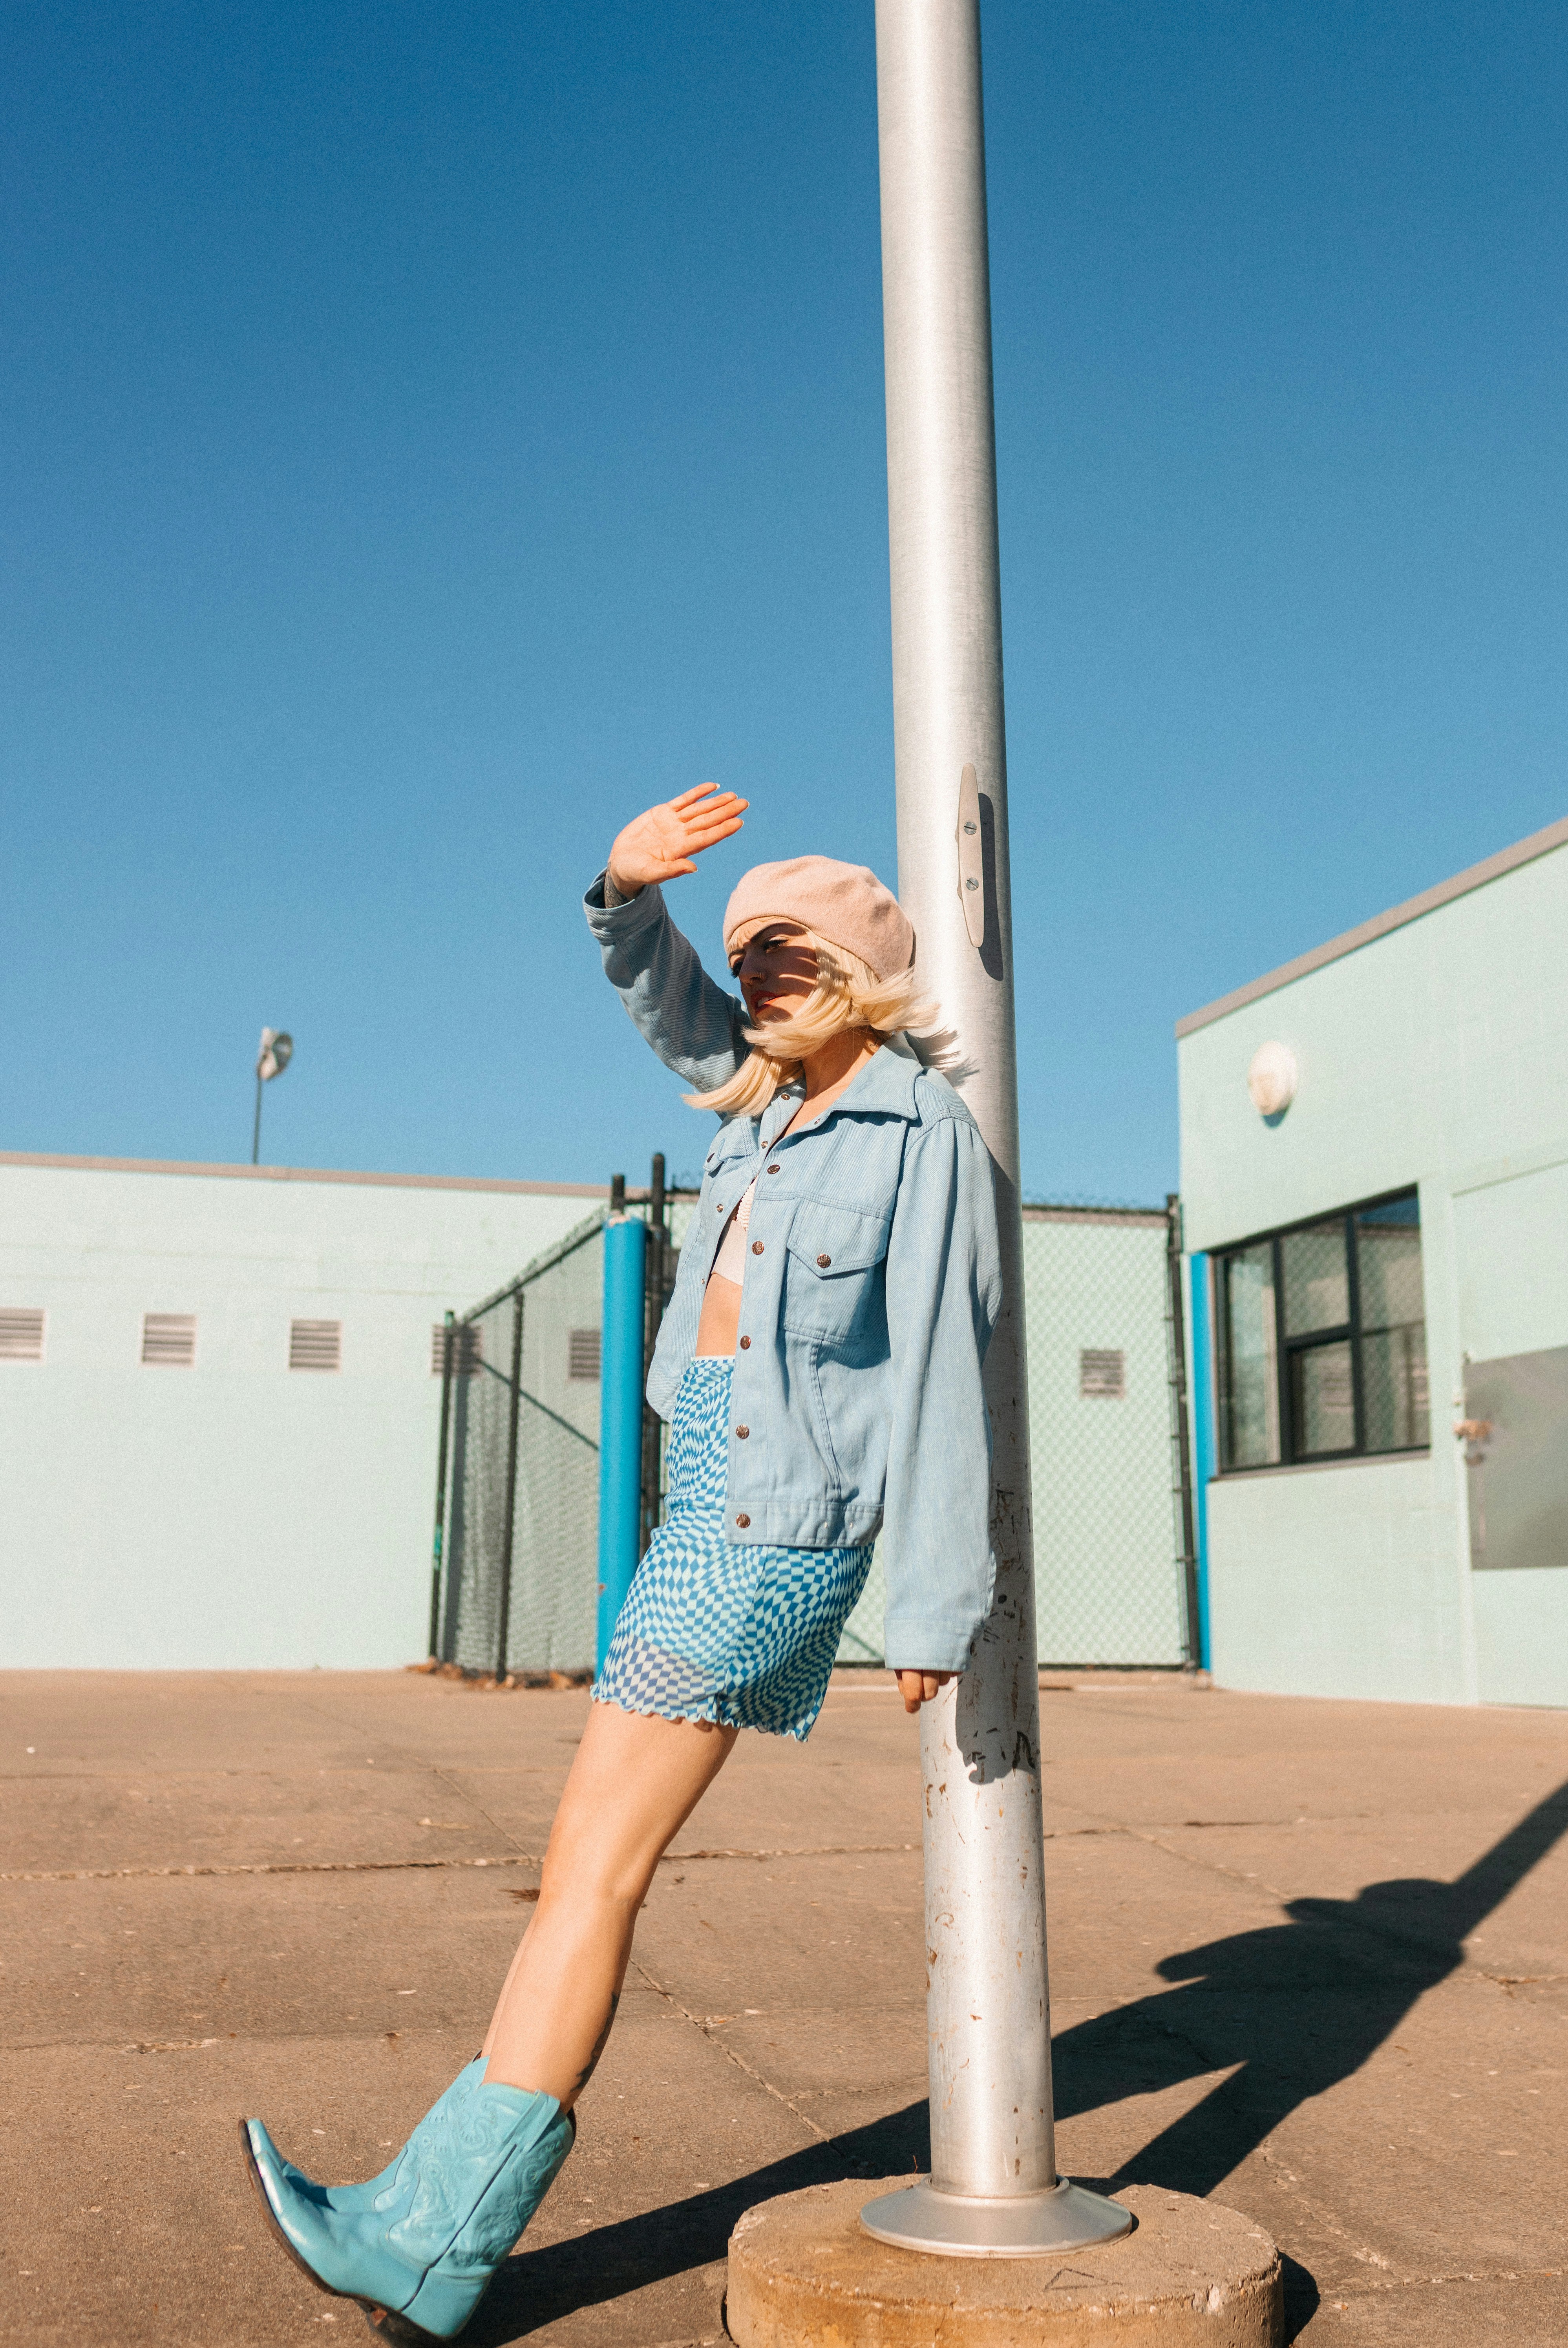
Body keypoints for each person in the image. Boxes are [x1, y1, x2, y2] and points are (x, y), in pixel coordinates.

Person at [240, 782, 1003, 2340]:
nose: (763, 983)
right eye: (753, 960)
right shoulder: (768, 1101)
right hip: (702, 1500)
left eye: (789, 958)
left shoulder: (916, 1127)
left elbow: (942, 1364)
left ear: (855, 970)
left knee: (594, 1868)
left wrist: (934, 1596)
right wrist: (623, 885)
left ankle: (433, 2234)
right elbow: (668, 1004)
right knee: (585, 1865)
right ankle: (429, 2223)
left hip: (768, 1524)